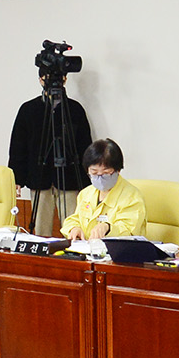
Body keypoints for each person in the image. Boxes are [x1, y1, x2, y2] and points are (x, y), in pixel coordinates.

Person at [9, 62, 93, 237]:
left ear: (65, 79)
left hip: (70, 179)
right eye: (47, 78)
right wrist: (17, 177)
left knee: (73, 228)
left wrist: (88, 181)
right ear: (40, 80)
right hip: (40, 178)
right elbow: (18, 146)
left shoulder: (75, 109)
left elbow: (85, 145)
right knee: (41, 230)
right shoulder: (29, 109)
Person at [60, 139, 148, 240]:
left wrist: (107, 228)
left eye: (106, 173)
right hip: (89, 251)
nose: (100, 178)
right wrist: (74, 228)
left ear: (118, 170)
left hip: (120, 253)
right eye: (94, 173)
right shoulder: (86, 193)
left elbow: (129, 230)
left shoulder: (132, 197)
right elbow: (76, 218)